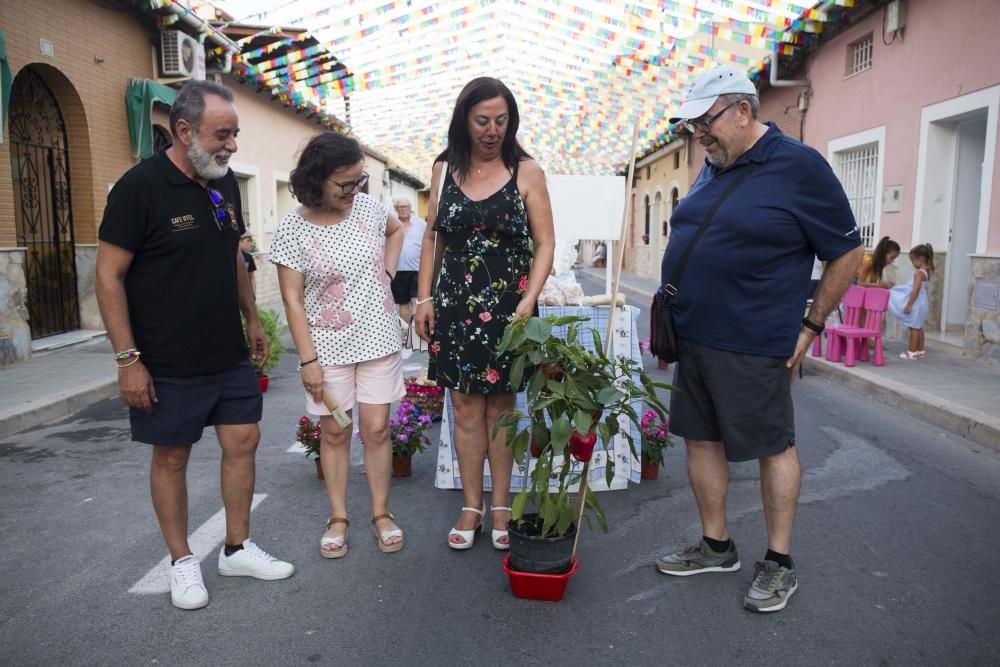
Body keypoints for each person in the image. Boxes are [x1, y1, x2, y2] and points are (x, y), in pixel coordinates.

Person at [654, 64, 864, 613]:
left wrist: (811, 325)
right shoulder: (714, 165)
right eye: (692, 125)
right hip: (694, 333)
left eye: (707, 121)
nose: (699, 134)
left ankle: (779, 562)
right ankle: (717, 545)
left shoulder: (799, 167)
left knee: (773, 447)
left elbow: (846, 250)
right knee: (700, 439)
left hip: (754, 339)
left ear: (743, 111)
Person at [95, 80, 294, 611]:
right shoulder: (139, 188)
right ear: (184, 132)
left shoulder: (223, 184)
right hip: (165, 357)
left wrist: (252, 317)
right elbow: (108, 277)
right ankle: (183, 562)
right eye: (222, 134)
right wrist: (128, 360)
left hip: (225, 349)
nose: (231, 145)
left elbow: (233, 254)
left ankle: (235, 547)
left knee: (243, 441)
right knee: (173, 457)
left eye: (234, 134)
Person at [413, 77, 555, 551]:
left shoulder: (527, 172)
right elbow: (434, 238)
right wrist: (424, 298)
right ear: (463, 120)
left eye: (501, 120)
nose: (493, 130)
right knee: (464, 409)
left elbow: (545, 243)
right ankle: (471, 504)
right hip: (454, 305)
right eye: (482, 121)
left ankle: (499, 504)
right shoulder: (443, 169)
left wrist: (529, 300)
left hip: (508, 308)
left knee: (501, 408)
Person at [270, 132, 406, 558]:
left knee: (377, 430)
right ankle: (338, 516)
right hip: (326, 348)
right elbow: (292, 299)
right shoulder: (293, 227)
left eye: (359, 181)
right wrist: (307, 360)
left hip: (379, 337)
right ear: (316, 179)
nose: (353, 191)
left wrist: (385, 272)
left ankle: (381, 513)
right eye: (344, 184)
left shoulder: (367, 208)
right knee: (334, 433)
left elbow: (397, 228)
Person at [888, 243, 934, 360]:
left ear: (920, 258)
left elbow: (916, 289)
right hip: (922, 302)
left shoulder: (918, 273)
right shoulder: (926, 272)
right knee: (919, 327)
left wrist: (909, 304)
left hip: (916, 303)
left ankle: (912, 352)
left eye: (913, 260)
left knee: (913, 328)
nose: (913, 264)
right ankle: (920, 350)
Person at [390, 197, 427, 323]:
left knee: (416, 301)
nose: (403, 210)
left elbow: (428, 244)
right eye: (400, 207)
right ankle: (407, 333)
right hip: (398, 270)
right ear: (396, 209)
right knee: (403, 304)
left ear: (410, 208)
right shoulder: (392, 223)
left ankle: (416, 331)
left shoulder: (421, 224)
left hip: (417, 269)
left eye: (405, 207)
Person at [239, 232, 257, 300]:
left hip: (246, 294)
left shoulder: (248, 257)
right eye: (248, 241)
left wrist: (253, 294)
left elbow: (251, 277)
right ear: (240, 241)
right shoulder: (231, 256)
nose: (250, 244)